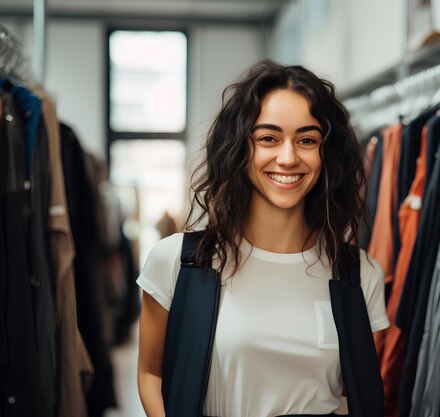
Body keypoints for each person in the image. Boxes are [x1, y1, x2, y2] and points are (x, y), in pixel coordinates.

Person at [136, 60, 389, 417]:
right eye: (268, 138)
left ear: (325, 153)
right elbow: (150, 373)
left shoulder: (358, 274)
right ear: (241, 147)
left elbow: (359, 396)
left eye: (306, 140)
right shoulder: (180, 261)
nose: (288, 158)